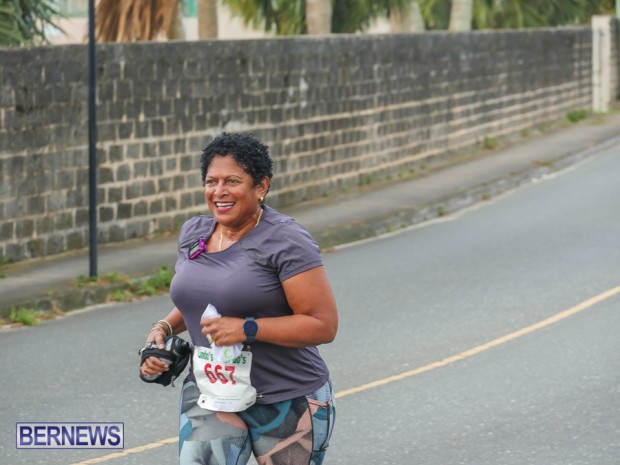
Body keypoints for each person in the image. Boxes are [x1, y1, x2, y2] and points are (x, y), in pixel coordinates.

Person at [140, 132, 339, 465]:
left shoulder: (286, 239)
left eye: (232, 181)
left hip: (285, 396)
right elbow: (200, 298)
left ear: (261, 186)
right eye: (211, 181)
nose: (219, 191)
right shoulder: (194, 233)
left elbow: (323, 325)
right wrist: (163, 328)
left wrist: (247, 329)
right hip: (210, 393)